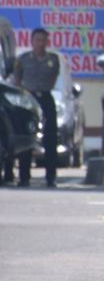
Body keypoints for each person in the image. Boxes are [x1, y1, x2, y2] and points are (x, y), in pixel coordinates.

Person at [14, 28, 60, 188]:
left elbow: (54, 78)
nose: (40, 43)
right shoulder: (23, 59)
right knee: (26, 138)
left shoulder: (53, 59)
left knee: (50, 138)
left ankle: (51, 177)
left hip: (46, 98)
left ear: (47, 42)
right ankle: (24, 177)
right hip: (29, 99)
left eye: (43, 40)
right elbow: (17, 80)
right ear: (31, 41)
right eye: (37, 40)